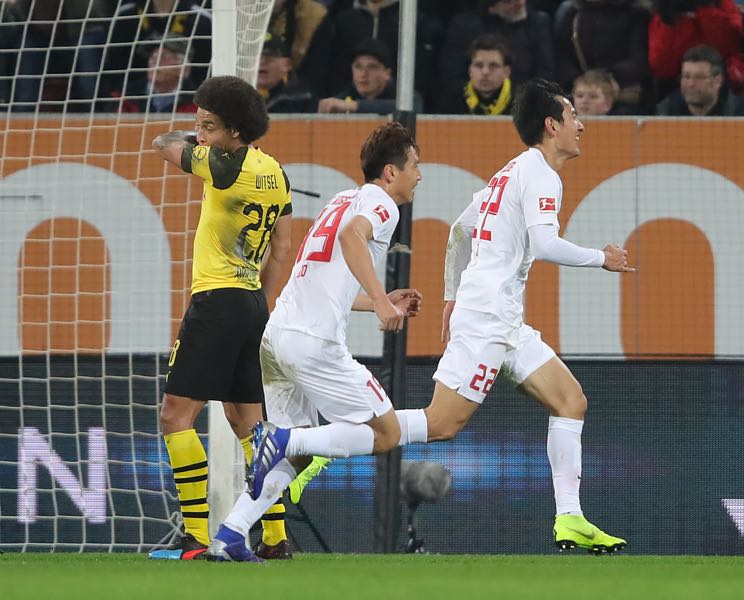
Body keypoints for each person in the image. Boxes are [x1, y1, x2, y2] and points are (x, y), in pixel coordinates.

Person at [216, 80, 633, 561]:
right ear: (551, 125)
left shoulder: (503, 174)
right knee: (426, 426)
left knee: (570, 400)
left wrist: (445, 298)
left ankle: (570, 517)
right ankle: (290, 441)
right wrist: (601, 258)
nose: (581, 125)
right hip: (484, 319)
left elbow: (459, 230)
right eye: (573, 116)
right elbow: (541, 244)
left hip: (481, 318)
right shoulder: (527, 176)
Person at [205, 121, 423, 562]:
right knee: (386, 432)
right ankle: (285, 441)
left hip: (278, 337)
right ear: (390, 172)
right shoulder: (382, 203)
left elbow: (327, 278)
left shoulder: (341, 199)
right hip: (313, 344)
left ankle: (230, 534)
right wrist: (382, 302)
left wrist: (377, 301)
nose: (420, 174)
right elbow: (351, 238)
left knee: (298, 454)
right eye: (415, 165)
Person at [149, 75, 294, 560]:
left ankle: (195, 536)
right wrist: (262, 304)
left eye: (209, 125)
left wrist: (193, 141)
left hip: (216, 301)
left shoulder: (222, 166)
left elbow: (161, 144)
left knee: (175, 417)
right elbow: (282, 247)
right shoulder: (275, 171)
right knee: (249, 426)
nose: (201, 133)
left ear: (235, 130)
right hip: (251, 302)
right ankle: (274, 537)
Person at [318, 38, 422, 115]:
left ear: (387, 74)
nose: (363, 74)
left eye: (372, 67)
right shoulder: (345, 95)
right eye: (358, 67)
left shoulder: (402, 95)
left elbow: (414, 107)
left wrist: (355, 106)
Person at [656, 45, 744, 116]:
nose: (690, 84)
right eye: (686, 76)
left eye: (699, 77)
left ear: (717, 81)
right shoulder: (665, 112)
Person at [107, 35, 197, 114]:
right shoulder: (123, 98)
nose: (154, 62)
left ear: (184, 68)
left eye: (163, 57)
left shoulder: (199, 103)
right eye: (152, 56)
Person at [437, 33, 515, 115]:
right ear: (470, 70)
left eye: (493, 66)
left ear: (506, 72)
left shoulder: (522, 103)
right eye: (479, 65)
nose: (485, 72)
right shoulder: (451, 101)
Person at [256, 35, 317, 114]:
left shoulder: (302, 99)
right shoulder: (238, 97)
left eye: (270, 56)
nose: (262, 61)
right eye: (256, 55)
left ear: (287, 64)